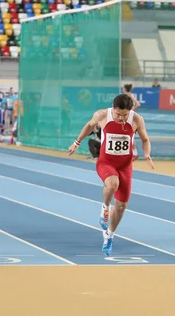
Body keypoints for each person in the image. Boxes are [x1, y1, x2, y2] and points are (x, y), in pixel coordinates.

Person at [68, 94, 154, 256]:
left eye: (125, 115)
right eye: (118, 115)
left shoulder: (136, 120)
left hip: (125, 166)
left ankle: (109, 235)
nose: (121, 119)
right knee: (113, 184)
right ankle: (105, 207)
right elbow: (88, 126)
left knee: (121, 206)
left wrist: (147, 154)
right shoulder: (102, 115)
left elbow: (145, 139)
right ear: (112, 109)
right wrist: (76, 143)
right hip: (106, 162)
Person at [123, 84, 141, 161]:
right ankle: (133, 153)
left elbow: (138, 104)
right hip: (126, 117)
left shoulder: (128, 96)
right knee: (128, 135)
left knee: (129, 135)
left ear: (125, 89)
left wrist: (130, 112)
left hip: (128, 118)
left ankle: (134, 153)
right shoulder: (127, 95)